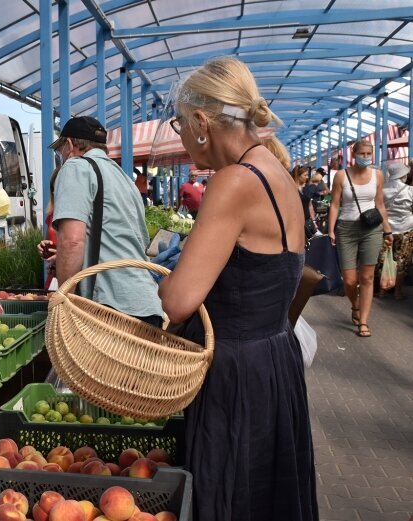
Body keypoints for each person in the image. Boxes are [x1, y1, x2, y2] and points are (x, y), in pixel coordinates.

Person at [158, 57, 318, 520]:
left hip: (234, 374)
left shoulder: (233, 182)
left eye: (181, 125)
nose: (184, 139)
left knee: (231, 493)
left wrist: (171, 275)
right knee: (266, 495)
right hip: (273, 362)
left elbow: (179, 300)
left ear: (203, 123)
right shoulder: (278, 174)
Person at [50, 116, 163, 327]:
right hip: (146, 304)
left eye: (60, 151)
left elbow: (72, 241)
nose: (61, 157)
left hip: (110, 309)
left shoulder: (76, 167)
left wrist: (63, 300)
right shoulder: (123, 178)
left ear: (70, 145)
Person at [328, 140, 393, 337]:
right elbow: (334, 205)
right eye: (362, 153)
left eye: (368, 154)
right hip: (346, 229)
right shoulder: (341, 175)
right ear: (353, 154)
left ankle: (363, 321)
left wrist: (387, 230)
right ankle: (354, 304)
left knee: (366, 277)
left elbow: (380, 204)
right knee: (349, 279)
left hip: (371, 229)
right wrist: (331, 229)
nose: (365, 157)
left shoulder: (377, 175)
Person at [376, 163, 413, 299]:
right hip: (406, 229)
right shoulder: (410, 190)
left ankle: (382, 291)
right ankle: (397, 292)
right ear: (402, 175)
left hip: (385, 230)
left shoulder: (382, 190)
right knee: (402, 260)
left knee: (384, 260)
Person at [36, 166, 60, 290]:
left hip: (72, 280)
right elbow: (50, 242)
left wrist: (62, 257)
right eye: (54, 189)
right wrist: (43, 249)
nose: (57, 192)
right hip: (54, 278)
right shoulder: (52, 214)